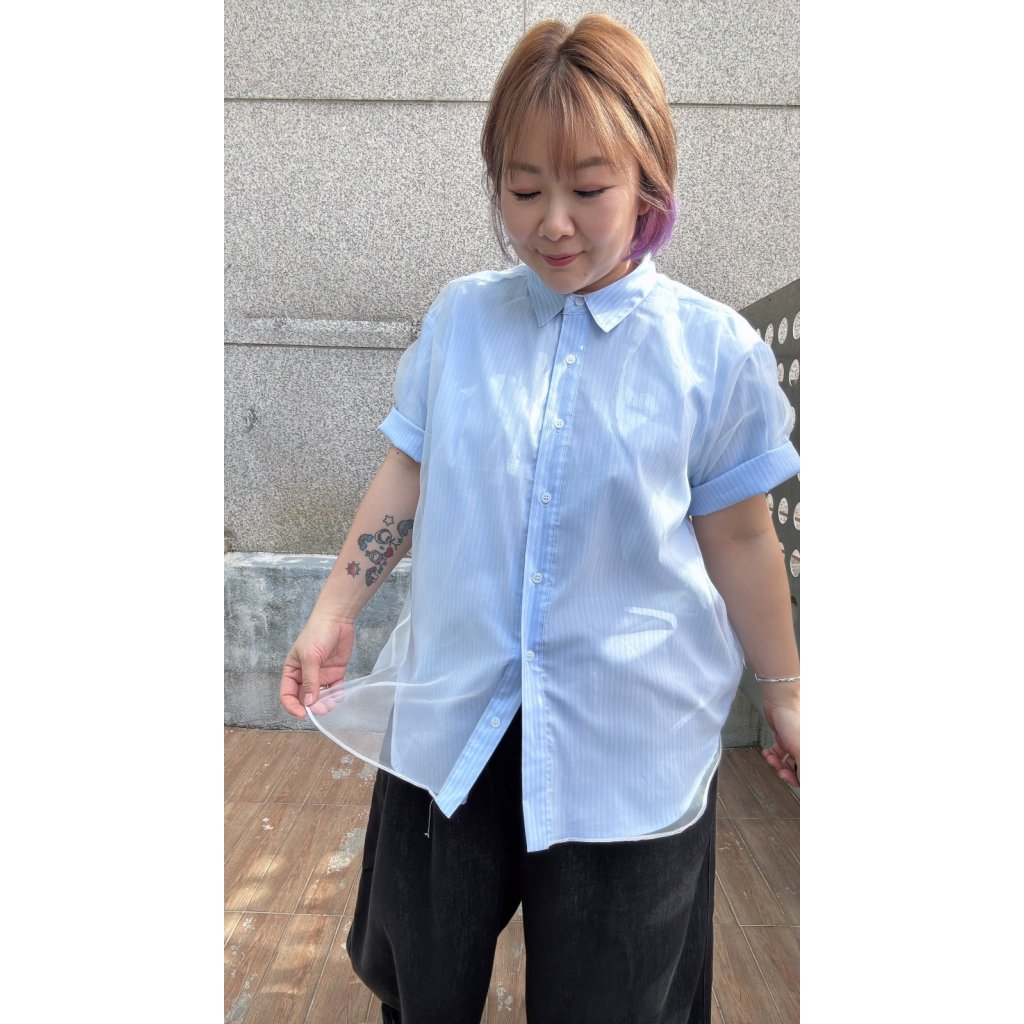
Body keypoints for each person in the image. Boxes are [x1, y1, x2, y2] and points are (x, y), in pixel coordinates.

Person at [280, 14, 799, 1024]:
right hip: (458, 719)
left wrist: (786, 691)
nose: (553, 222)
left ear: (648, 180)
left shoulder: (713, 354)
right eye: (523, 191)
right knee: (420, 981)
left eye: (588, 189)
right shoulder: (461, 321)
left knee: (617, 998)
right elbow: (407, 469)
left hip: (627, 735)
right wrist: (332, 611)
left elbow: (741, 538)